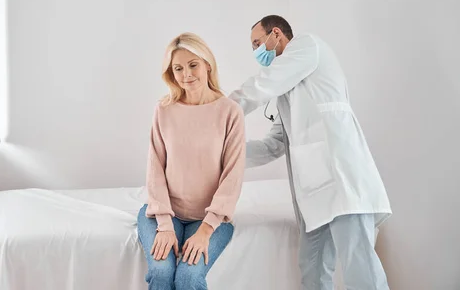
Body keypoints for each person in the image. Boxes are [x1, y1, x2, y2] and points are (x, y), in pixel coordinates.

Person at [229, 15, 392, 290]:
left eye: (258, 43)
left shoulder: (307, 47)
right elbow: (275, 144)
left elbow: (261, 85)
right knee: (312, 272)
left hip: (342, 183)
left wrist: (217, 113)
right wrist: (226, 154)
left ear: (277, 34)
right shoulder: (286, 89)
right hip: (314, 198)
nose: (256, 51)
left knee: (360, 271)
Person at [137, 32, 246, 290]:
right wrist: (164, 225)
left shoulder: (230, 112)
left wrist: (206, 231)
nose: (186, 74)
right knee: (162, 273)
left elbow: (232, 177)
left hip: (210, 219)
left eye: (193, 65)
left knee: (188, 277)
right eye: (178, 68)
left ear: (207, 64)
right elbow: (155, 171)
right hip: (162, 214)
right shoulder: (164, 110)